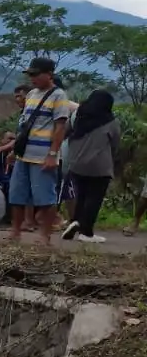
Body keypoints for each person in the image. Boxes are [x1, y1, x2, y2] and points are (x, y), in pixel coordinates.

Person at [8, 57, 69, 246]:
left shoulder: (59, 96)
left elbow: (60, 127)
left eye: (35, 74)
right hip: (24, 153)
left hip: (42, 155)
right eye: (30, 75)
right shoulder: (32, 94)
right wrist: (14, 149)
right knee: (17, 195)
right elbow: (24, 125)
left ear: (49, 74)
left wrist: (52, 154)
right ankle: (15, 232)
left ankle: (45, 236)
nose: (32, 78)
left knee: (45, 198)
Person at [61, 91, 121, 243]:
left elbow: (65, 133)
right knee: (94, 198)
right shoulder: (110, 121)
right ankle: (86, 233)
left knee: (81, 196)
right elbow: (115, 143)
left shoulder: (76, 116)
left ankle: (75, 221)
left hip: (76, 164)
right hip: (100, 166)